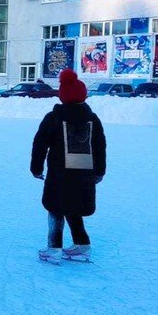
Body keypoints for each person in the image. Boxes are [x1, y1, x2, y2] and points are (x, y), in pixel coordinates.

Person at [32, 69, 107, 264]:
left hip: (60, 174)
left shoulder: (53, 118)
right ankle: (82, 245)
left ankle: (54, 248)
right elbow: (100, 146)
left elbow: (40, 143)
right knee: (73, 207)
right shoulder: (93, 118)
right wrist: (99, 171)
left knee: (56, 207)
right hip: (84, 174)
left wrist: (36, 168)